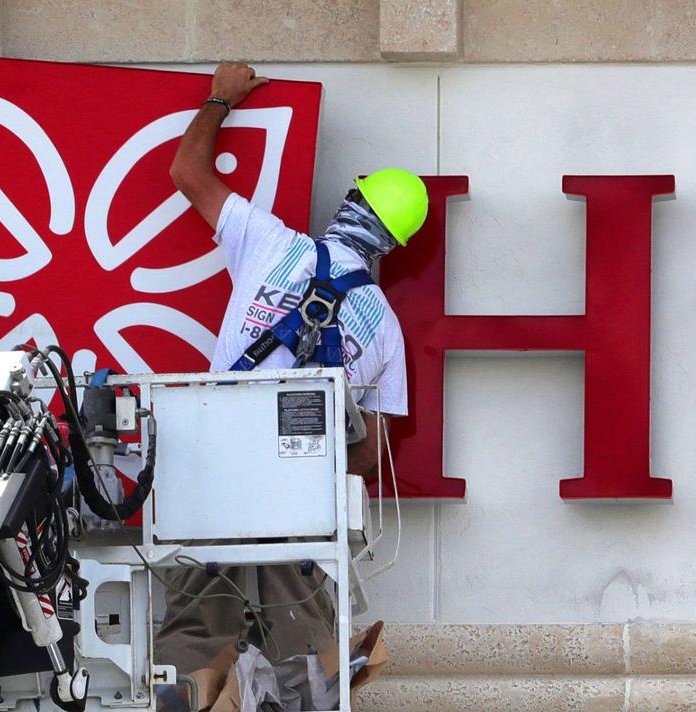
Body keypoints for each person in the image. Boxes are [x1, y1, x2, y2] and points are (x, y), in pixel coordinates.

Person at [155, 63, 428, 676]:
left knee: (196, 636)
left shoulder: (273, 244)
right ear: (391, 245)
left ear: (351, 202)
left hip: (210, 469)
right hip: (296, 497)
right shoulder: (384, 326)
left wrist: (221, 97)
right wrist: (305, 468)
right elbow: (370, 453)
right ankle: (319, 670)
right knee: (302, 648)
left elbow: (186, 172)